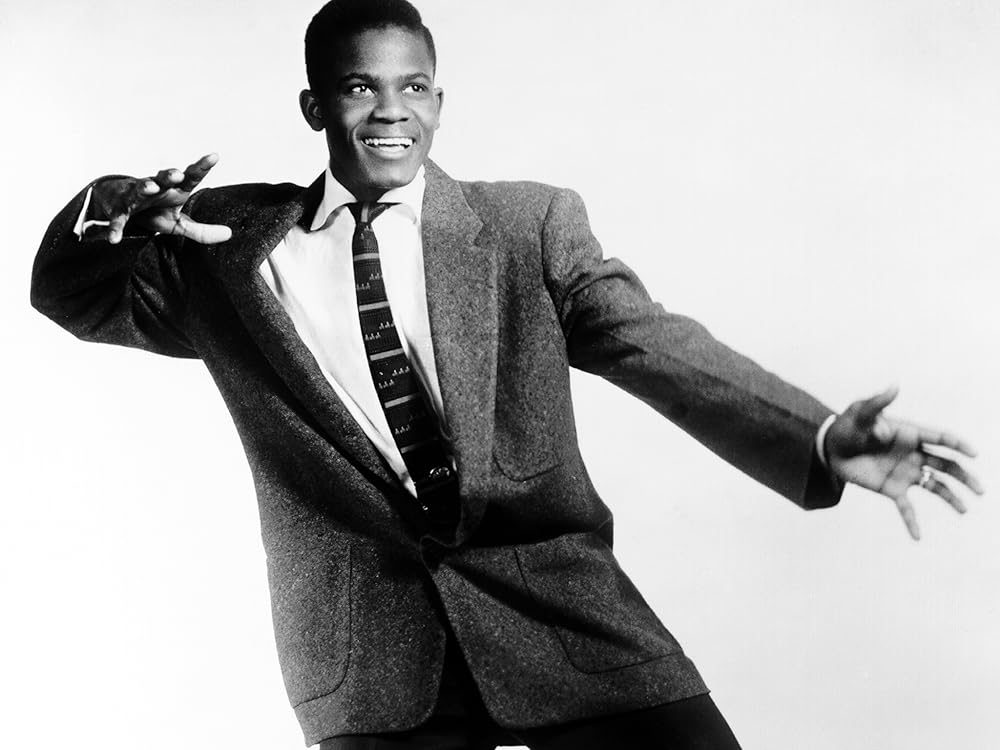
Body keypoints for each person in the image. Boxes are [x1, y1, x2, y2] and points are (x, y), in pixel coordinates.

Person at [31, 1, 982, 748]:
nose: (393, 111)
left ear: (440, 102)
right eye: (361, 88)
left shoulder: (526, 226)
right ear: (315, 107)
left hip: (558, 609)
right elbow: (71, 296)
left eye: (414, 87)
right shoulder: (224, 246)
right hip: (370, 655)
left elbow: (650, 343)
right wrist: (111, 210)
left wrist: (817, 434)